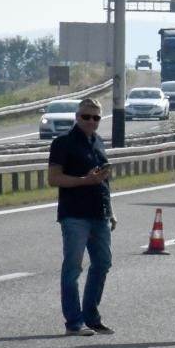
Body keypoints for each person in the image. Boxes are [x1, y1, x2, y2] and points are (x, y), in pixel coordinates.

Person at [47, 97, 116, 335]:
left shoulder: (98, 142)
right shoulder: (63, 143)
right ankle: (74, 323)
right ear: (77, 117)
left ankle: (91, 317)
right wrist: (84, 181)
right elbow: (54, 178)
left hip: (100, 213)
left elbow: (104, 180)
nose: (91, 121)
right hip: (75, 214)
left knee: (103, 263)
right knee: (73, 268)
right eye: (86, 116)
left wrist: (111, 211)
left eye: (96, 117)